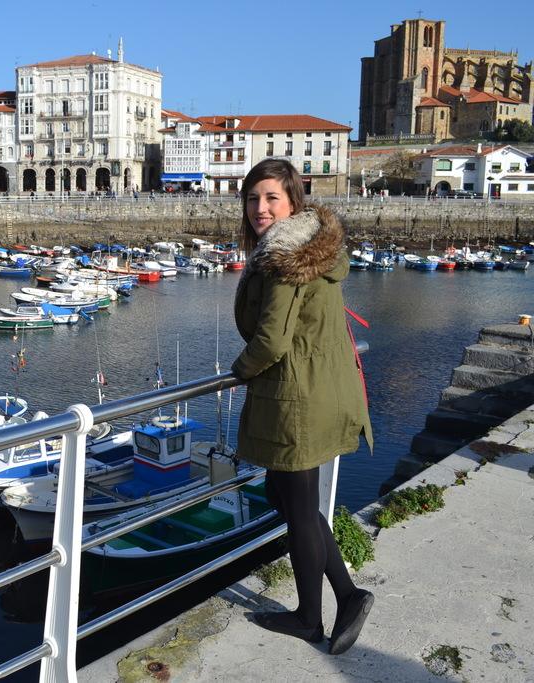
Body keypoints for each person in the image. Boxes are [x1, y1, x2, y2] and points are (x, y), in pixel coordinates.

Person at [231, 158, 374, 655]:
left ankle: (314, 616)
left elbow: (271, 341)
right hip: (317, 389)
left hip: (298, 397)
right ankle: (346, 597)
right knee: (288, 497)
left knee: (297, 508)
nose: (260, 208)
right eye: (252, 198)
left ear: (294, 202)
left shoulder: (286, 256)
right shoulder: (310, 246)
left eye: (271, 198)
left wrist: (237, 370)